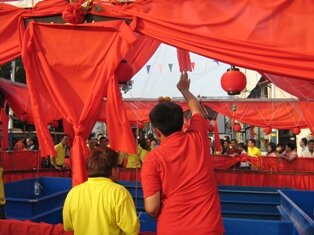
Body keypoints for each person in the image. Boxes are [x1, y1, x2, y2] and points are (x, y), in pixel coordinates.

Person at [141, 72, 224, 235]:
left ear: (157, 132)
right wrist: (184, 89)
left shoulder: (153, 159)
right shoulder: (197, 137)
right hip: (209, 228)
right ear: (182, 122)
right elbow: (196, 109)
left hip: (173, 227)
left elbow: (151, 207)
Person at [63, 148, 139, 235]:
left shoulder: (73, 193)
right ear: (113, 170)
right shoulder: (119, 193)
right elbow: (132, 230)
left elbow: (68, 226)